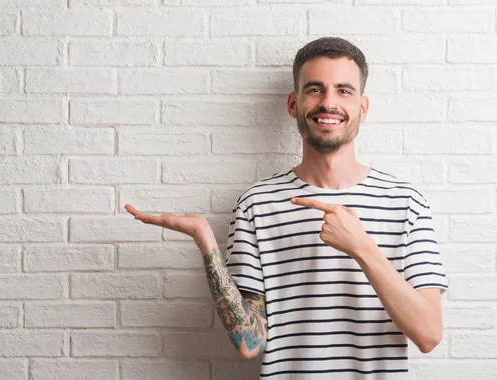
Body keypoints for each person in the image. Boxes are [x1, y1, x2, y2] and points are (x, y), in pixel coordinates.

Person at [125, 36, 448, 379]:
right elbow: (250, 343)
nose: (328, 103)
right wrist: (206, 242)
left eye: (343, 90)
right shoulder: (256, 204)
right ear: (293, 104)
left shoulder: (406, 202)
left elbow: (428, 335)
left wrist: (362, 247)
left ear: (362, 107)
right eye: (315, 89)